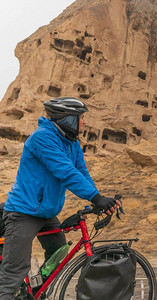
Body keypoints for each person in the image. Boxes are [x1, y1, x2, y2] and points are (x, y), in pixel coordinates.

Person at [0, 97, 121, 299]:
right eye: (81, 117)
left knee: (58, 251)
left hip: (46, 213)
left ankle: (34, 291)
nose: (85, 122)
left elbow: (81, 172)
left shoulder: (71, 142)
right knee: (13, 273)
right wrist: (95, 197)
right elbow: (64, 171)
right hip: (23, 213)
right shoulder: (42, 138)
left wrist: (99, 199)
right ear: (68, 119)